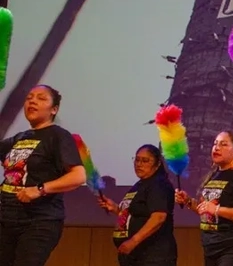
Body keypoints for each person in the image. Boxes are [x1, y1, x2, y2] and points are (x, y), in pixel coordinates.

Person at [0, 84, 87, 266]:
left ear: (54, 109)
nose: (32, 101)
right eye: (29, 97)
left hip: (38, 221)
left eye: (41, 98)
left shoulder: (59, 137)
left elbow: (78, 176)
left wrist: (40, 189)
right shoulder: (19, 138)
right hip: (6, 219)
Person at [174, 130, 233, 266]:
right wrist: (189, 201)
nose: (216, 148)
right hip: (211, 248)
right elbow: (208, 211)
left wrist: (217, 209)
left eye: (223, 144)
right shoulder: (214, 175)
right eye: (215, 144)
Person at [97, 144, 177, 266]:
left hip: (152, 257)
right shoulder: (140, 185)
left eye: (145, 161)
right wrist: (115, 208)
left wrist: (133, 241)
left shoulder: (158, 185)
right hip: (135, 257)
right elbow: (136, 215)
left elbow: (159, 217)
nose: (139, 164)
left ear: (157, 164)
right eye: (137, 159)